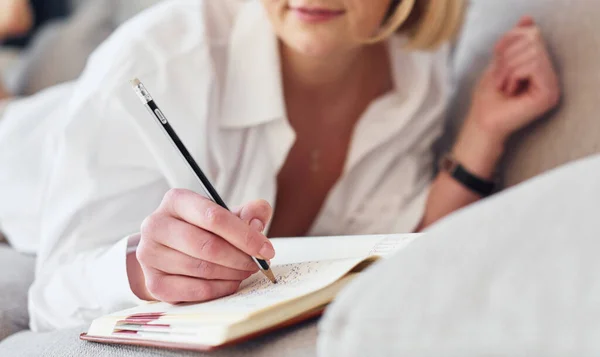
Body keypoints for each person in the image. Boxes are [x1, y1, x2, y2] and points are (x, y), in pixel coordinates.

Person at [0, 0, 559, 332]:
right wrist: (144, 272)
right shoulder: (151, 62)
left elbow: (400, 234)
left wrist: (485, 128)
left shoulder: (418, 71)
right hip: (22, 153)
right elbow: (51, 294)